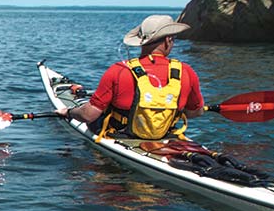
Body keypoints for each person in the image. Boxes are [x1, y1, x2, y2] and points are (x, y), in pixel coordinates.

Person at [58, 14, 206, 139]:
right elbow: (195, 112)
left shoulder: (119, 70)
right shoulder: (186, 71)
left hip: (121, 135)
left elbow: (88, 115)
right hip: (165, 136)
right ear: (168, 40)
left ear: (141, 42)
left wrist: (69, 112)